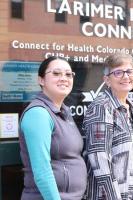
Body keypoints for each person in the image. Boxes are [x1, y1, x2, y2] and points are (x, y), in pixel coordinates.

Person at [19, 56, 87, 200]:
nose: (64, 78)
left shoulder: (64, 112)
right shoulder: (38, 113)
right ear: (41, 80)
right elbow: (42, 171)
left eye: (68, 74)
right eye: (56, 73)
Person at [83, 53, 133, 200]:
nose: (126, 76)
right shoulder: (101, 107)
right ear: (107, 80)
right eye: (118, 72)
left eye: (129, 71)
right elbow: (99, 160)